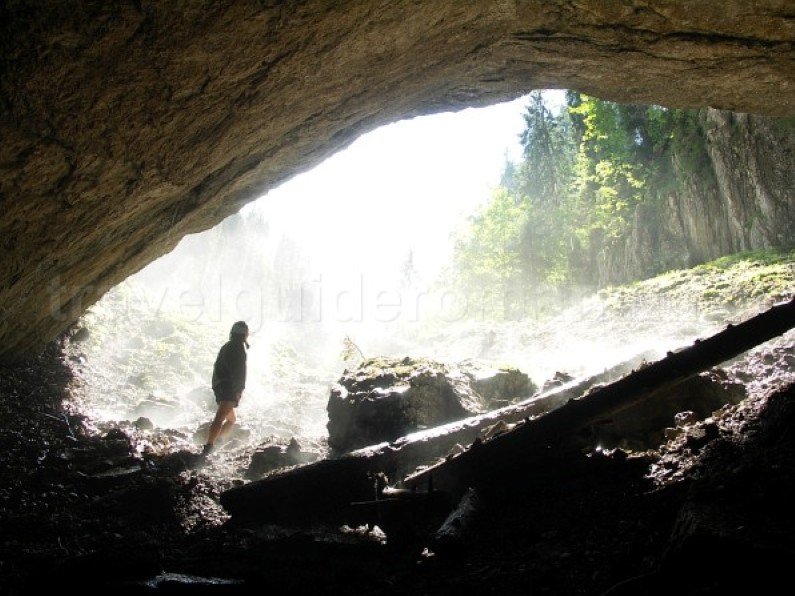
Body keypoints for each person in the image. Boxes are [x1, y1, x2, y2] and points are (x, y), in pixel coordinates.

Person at [202, 321, 249, 456]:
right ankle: (209, 446)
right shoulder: (239, 349)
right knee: (220, 417)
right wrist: (239, 390)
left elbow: (217, 367)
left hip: (220, 386)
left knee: (231, 419)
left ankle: (217, 442)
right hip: (228, 388)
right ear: (245, 334)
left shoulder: (226, 346)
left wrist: (216, 386)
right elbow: (239, 372)